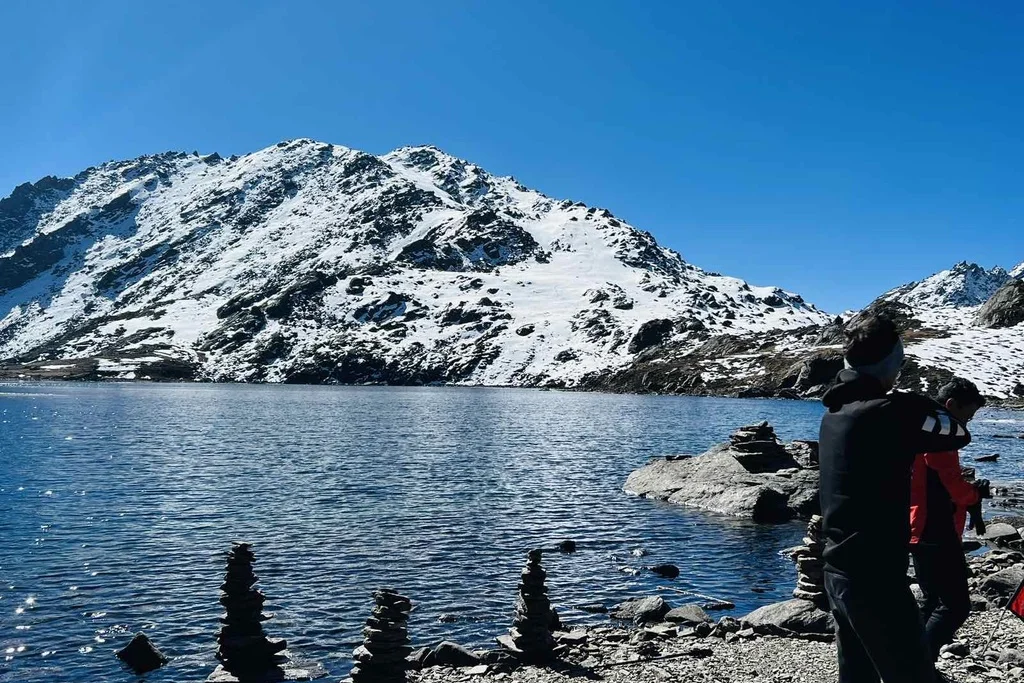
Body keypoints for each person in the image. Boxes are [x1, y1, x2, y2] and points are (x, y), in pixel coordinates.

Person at [819, 313, 972, 683]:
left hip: (837, 569)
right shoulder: (891, 411)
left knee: (858, 675)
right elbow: (956, 433)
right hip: (876, 577)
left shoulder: (835, 413)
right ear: (891, 364)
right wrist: (911, 397)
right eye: (900, 363)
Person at [910, 377, 989, 660]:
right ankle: (917, 669)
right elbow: (951, 486)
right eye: (967, 415)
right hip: (935, 528)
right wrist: (974, 497)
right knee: (955, 606)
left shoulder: (919, 429)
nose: (966, 424)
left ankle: (907, 664)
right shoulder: (940, 435)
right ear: (951, 405)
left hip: (917, 525)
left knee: (932, 601)